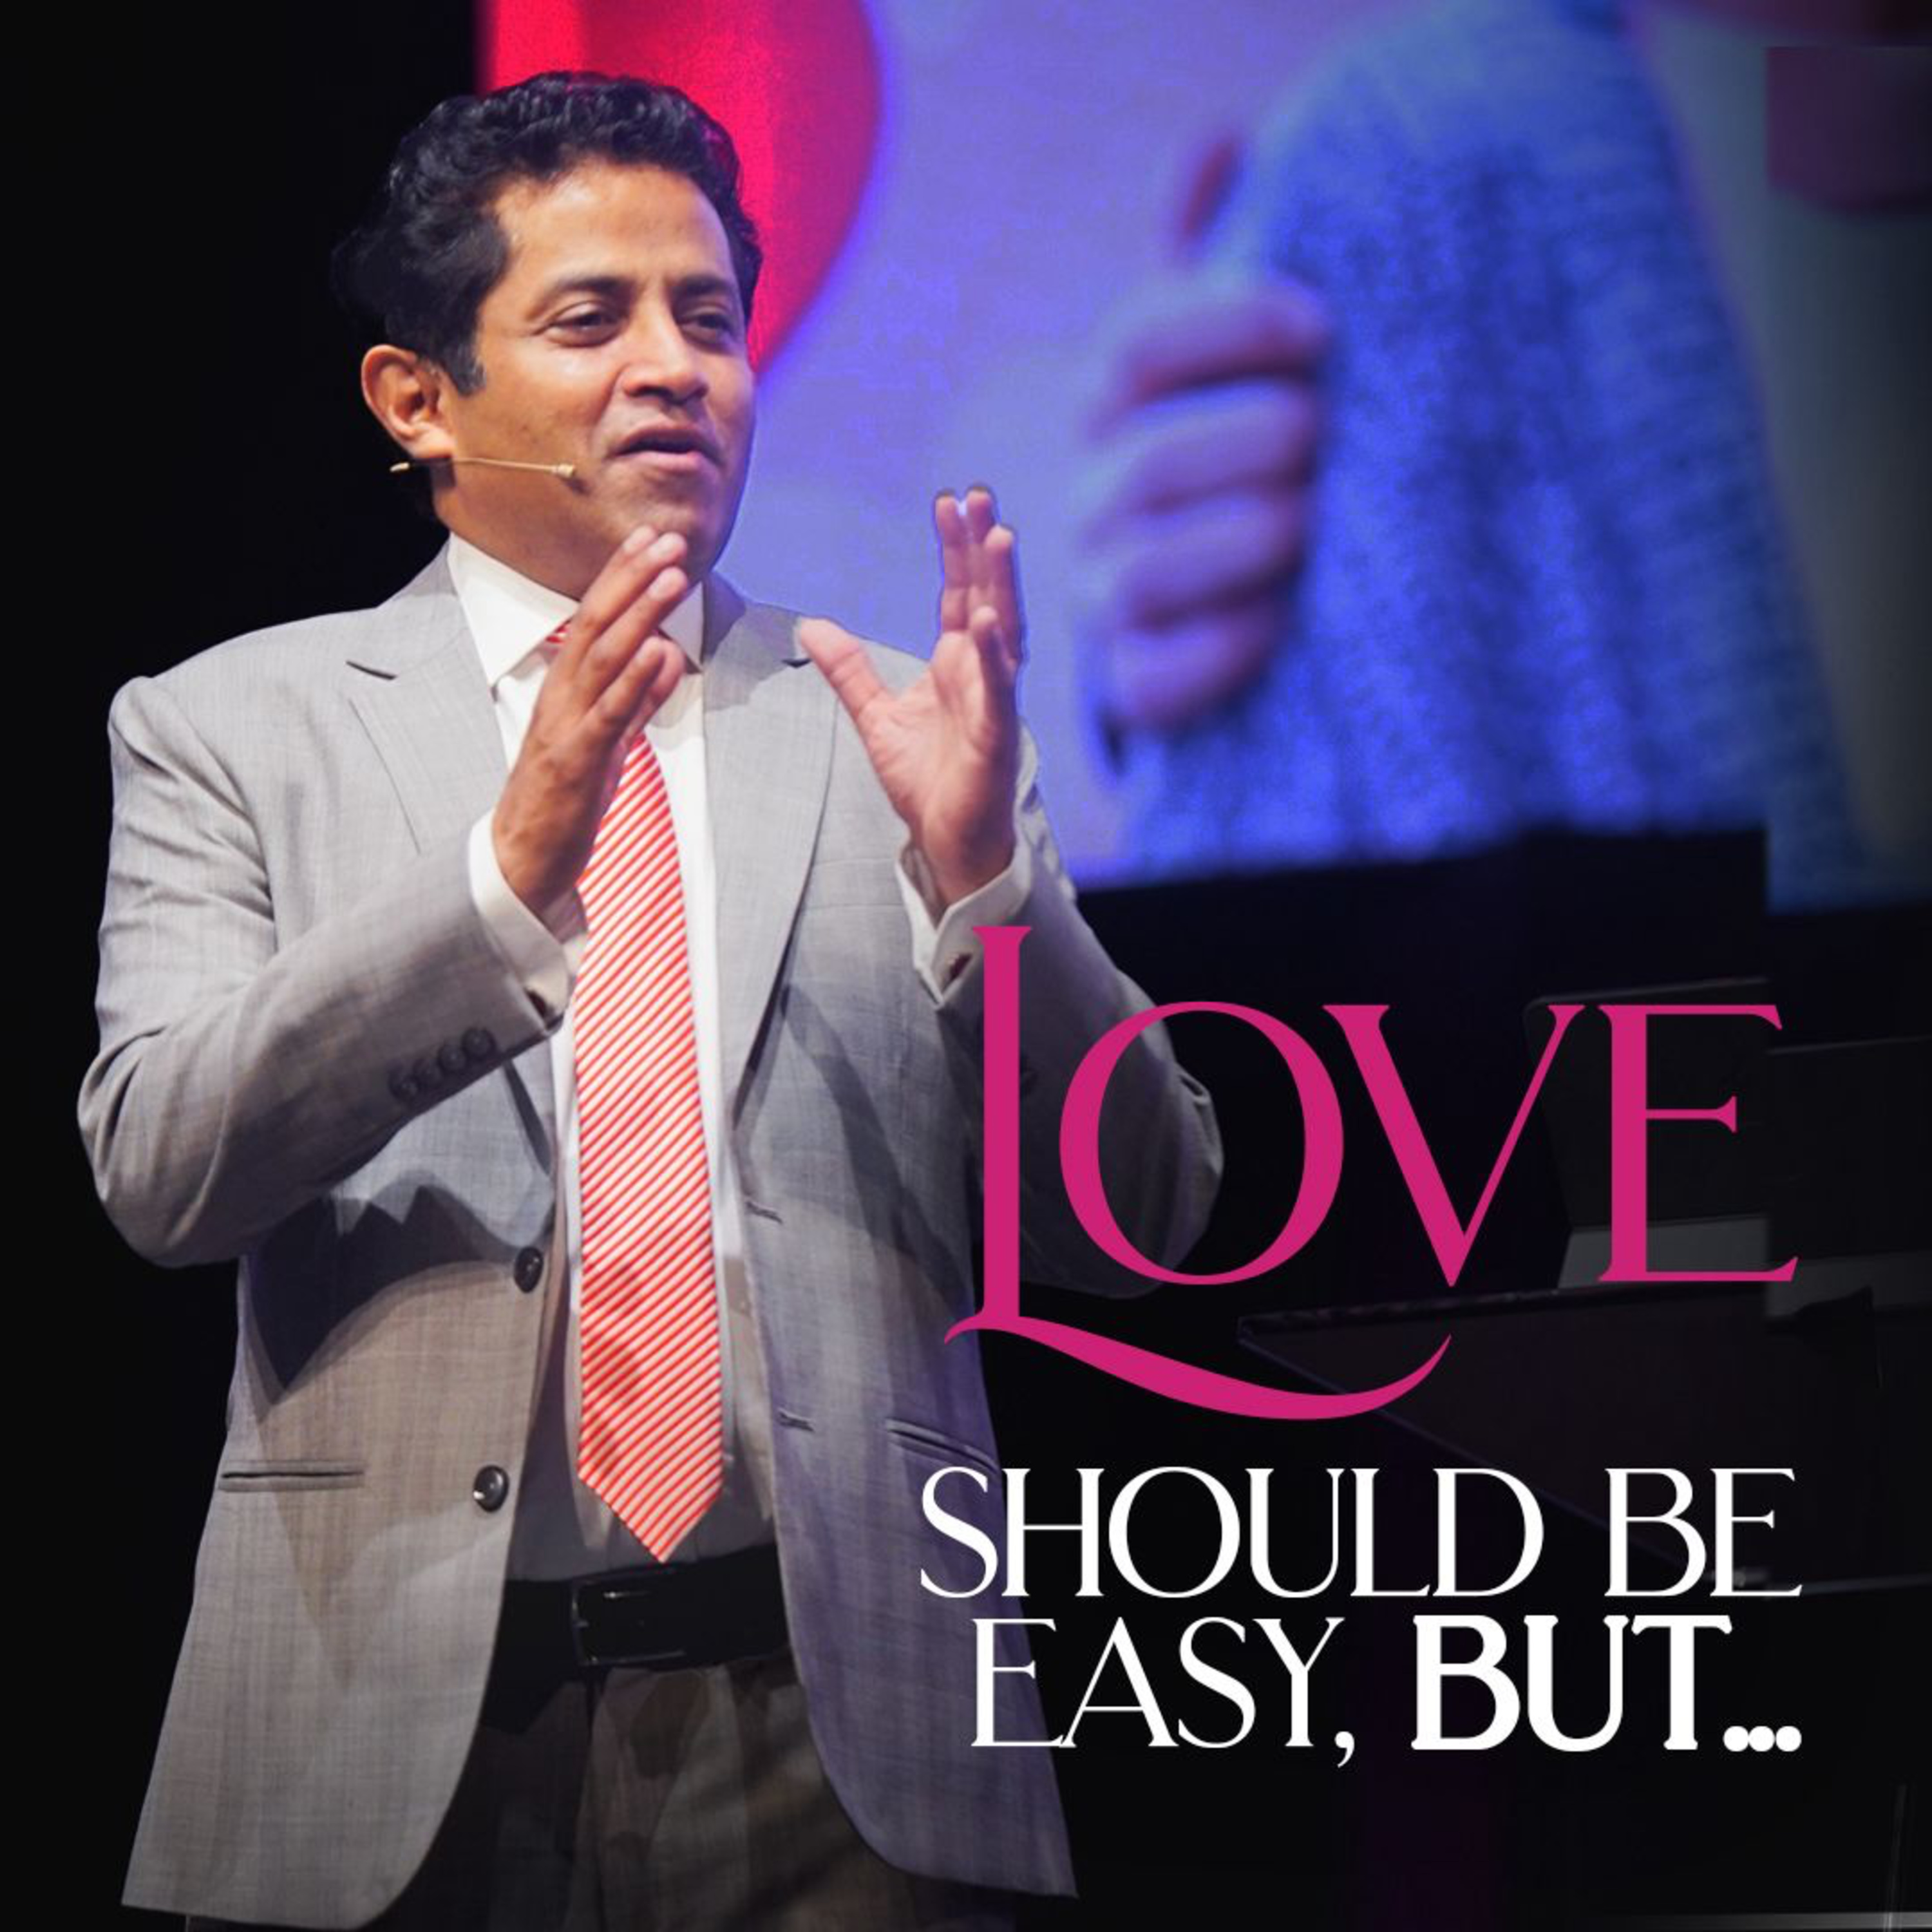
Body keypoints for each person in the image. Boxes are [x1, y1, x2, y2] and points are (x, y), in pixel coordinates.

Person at [80, 72, 1220, 1929]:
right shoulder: (230, 726)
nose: (675, 370)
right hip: (376, 1728)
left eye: (710, 317)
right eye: (591, 319)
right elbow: (162, 1169)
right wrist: (493, 891)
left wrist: (988, 896)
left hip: (844, 1743)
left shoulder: (893, 732)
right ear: (418, 401)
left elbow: (1146, 1220)